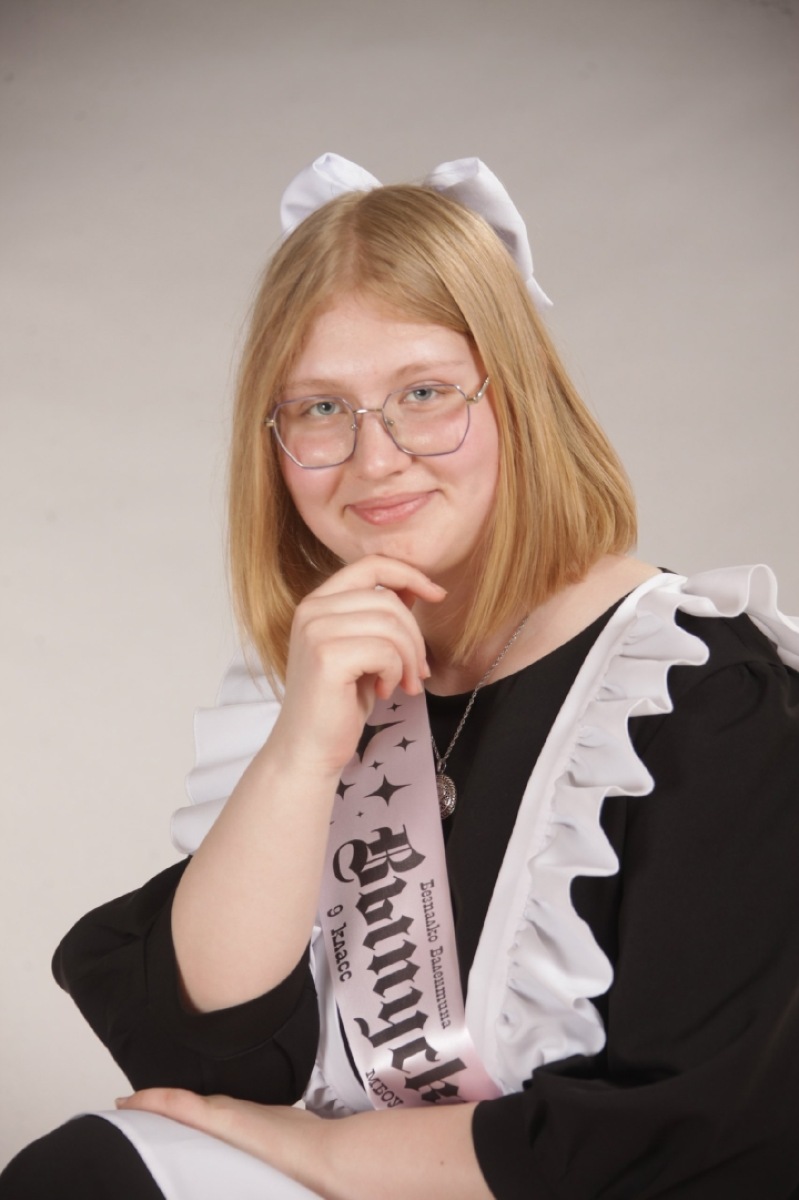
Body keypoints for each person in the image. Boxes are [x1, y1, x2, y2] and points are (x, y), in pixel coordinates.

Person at [3, 153, 799, 1200]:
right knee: (85, 1177)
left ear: (519, 400)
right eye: (319, 409)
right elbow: (204, 1062)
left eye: (424, 394)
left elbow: (705, 1137)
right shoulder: (340, 678)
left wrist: (320, 1153)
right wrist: (299, 756)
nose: (373, 459)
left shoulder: (700, 693)